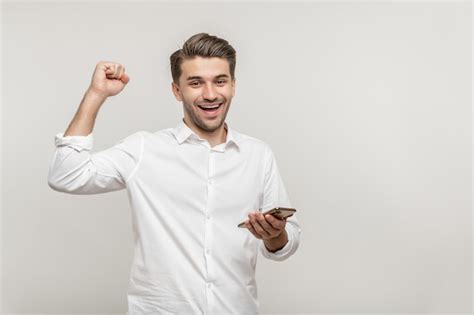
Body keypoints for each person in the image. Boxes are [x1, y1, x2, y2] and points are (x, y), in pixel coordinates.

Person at [48, 32, 301, 314]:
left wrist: (273, 235)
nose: (210, 94)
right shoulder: (144, 149)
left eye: (220, 81)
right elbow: (65, 175)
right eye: (195, 83)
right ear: (177, 90)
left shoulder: (258, 154)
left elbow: (287, 242)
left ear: (233, 86)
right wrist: (96, 95)